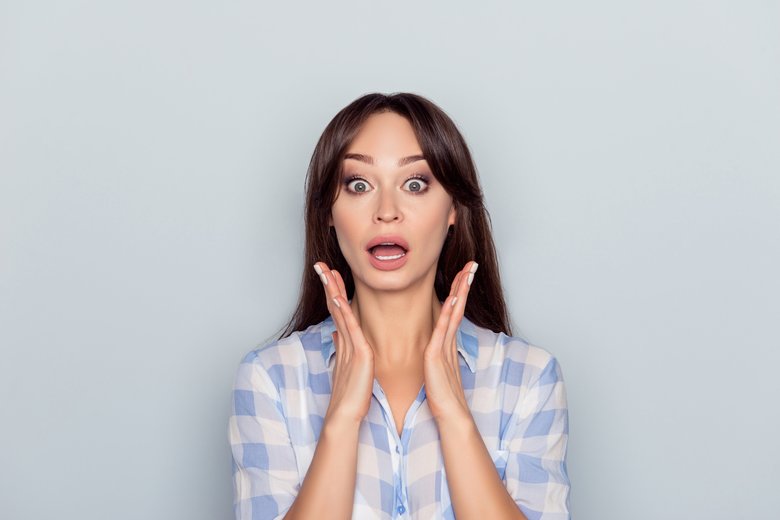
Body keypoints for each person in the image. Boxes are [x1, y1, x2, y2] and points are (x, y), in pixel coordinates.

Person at [228, 92, 570, 520]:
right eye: (358, 185)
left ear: (453, 210)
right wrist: (341, 421)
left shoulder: (528, 379)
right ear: (329, 213)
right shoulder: (270, 379)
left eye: (415, 184)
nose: (386, 211)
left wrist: (454, 416)